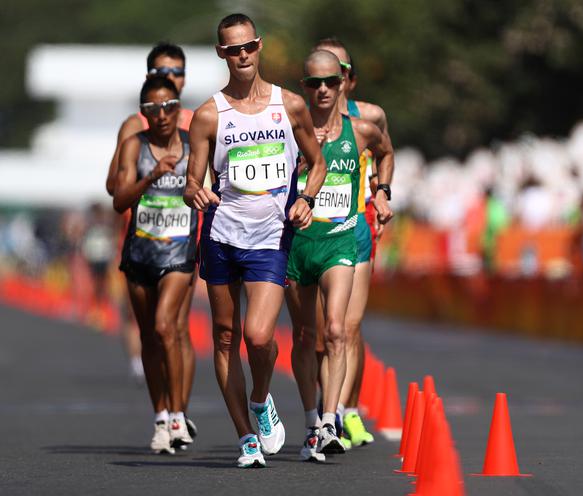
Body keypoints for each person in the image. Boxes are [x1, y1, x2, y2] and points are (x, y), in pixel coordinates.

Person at [183, 13, 326, 468]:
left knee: (259, 336)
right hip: (221, 236)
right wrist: (196, 191)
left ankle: (261, 401)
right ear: (221, 53)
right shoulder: (209, 114)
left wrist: (306, 198)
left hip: (269, 237)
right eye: (231, 49)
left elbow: (317, 163)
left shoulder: (290, 105)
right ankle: (246, 436)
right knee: (225, 338)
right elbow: (191, 181)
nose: (241, 56)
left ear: (259, 47)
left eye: (248, 47)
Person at [286, 49, 393, 462]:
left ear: (344, 82)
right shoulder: (289, 131)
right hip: (298, 244)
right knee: (304, 336)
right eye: (315, 84)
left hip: (342, 240)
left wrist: (382, 193)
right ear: (305, 88)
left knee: (337, 329)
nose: (324, 90)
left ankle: (331, 420)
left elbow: (386, 153)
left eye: (332, 81)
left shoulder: (362, 129)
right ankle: (312, 418)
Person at [105, 43, 198, 430]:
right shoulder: (134, 127)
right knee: (151, 332)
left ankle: (178, 415)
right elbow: (115, 187)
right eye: (164, 70)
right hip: (141, 238)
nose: (171, 77)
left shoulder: (195, 122)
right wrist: (148, 173)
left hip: (184, 241)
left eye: (177, 72)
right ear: (150, 77)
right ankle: (163, 412)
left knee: (174, 327)